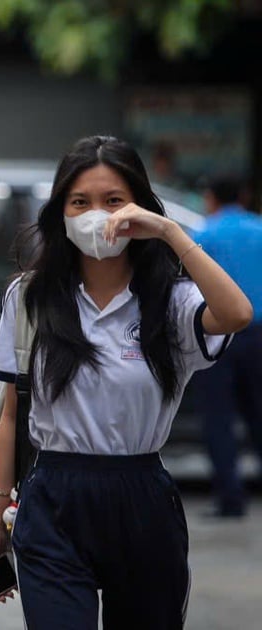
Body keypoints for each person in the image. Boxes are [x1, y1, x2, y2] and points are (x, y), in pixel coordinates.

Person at [0, 136, 253, 629]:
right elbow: (12, 417)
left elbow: (237, 313)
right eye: (80, 202)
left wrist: (170, 233)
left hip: (142, 496)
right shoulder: (30, 297)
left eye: (113, 201)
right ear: (60, 211)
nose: (96, 216)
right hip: (53, 499)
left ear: (139, 209)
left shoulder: (171, 300)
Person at [193, 175, 262, 518]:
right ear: (245, 194)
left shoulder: (204, 235)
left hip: (219, 335)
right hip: (260, 334)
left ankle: (231, 498)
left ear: (211, 197)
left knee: (218, 419)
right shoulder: (260, 230)